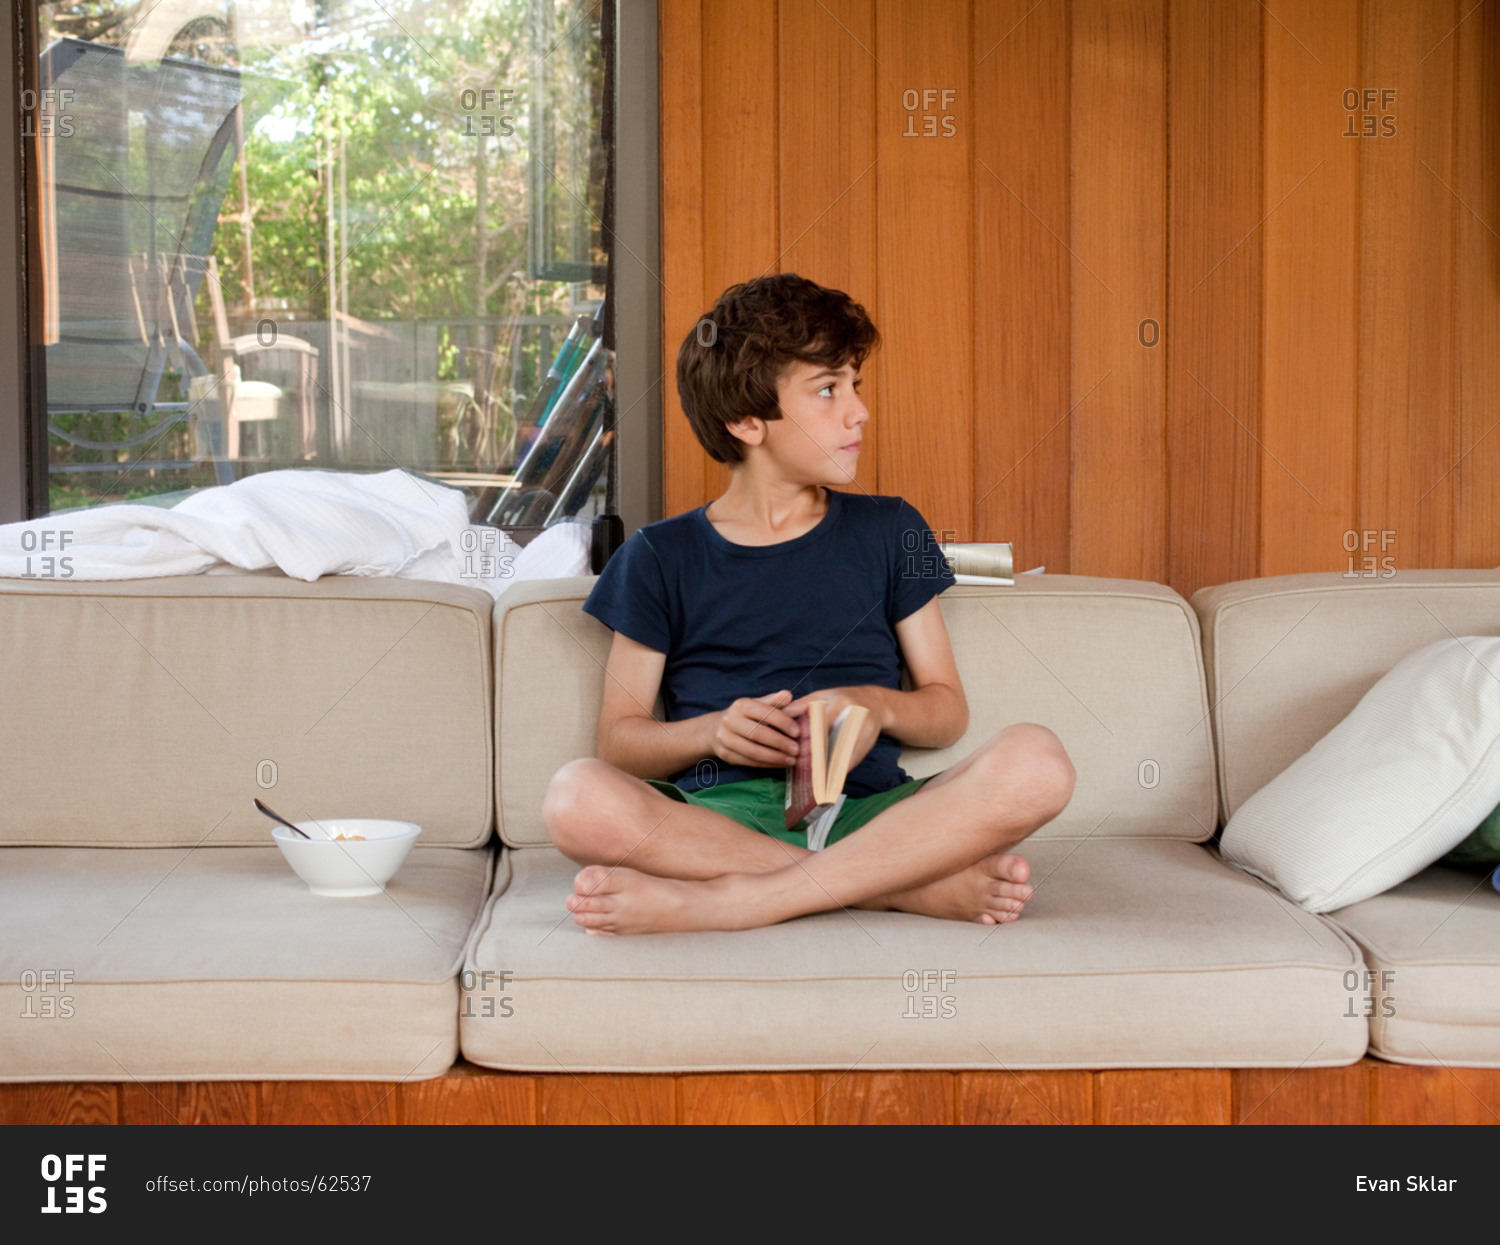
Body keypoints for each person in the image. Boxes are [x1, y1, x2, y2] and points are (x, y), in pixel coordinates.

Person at [543, 273, 1075, 935]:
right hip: (718, 817)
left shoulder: (892, 530)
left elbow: (946, 711)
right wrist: (712, 732)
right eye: (828, 390)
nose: (858, 411)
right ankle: (895, 890)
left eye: (855, 385)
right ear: (746, 420)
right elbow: (618, 742)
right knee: (575, 795)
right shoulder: (659, 556)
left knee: (1038, 760)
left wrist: (874, 705)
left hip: (870, 812)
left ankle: (738, 900)